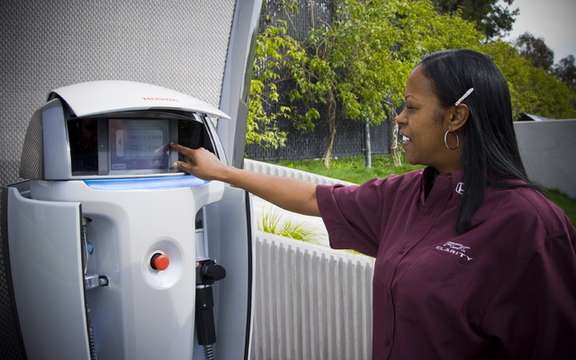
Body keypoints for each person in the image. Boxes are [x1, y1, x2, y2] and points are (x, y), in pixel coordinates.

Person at [171, 49, 576, 360]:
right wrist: (224, 173)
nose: (398, 119)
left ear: (456, 117)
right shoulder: (406, 194)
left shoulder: (532, 225)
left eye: (412, 108)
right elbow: (314, 197)